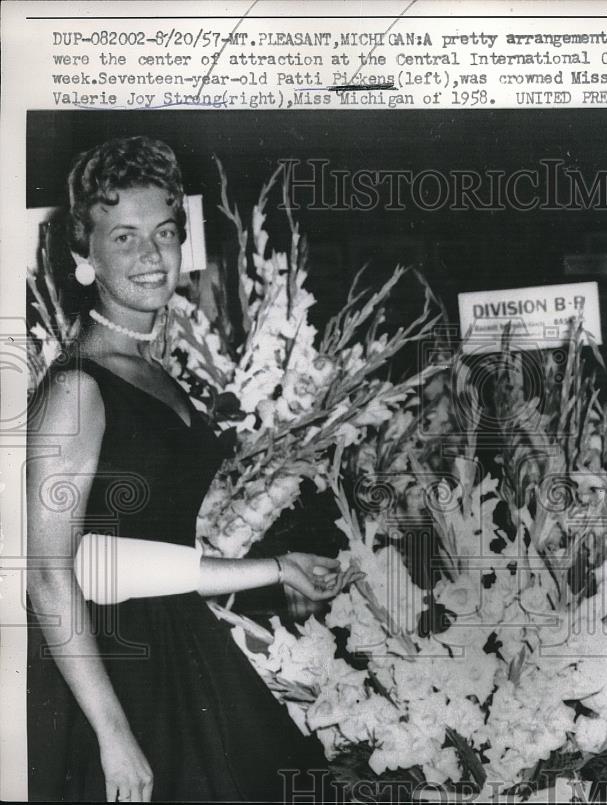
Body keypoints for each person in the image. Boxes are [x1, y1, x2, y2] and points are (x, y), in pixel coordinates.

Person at [26, 136, 350, 802]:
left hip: (178, 642)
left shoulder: (154, 372)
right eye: (124, 237)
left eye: (165, 233)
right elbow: (50, 573)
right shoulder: (76, 388)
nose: (152, 256)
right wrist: (114, 736)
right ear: (84, 260)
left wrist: (275, 567)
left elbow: (155, 541)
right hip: (115, 673)